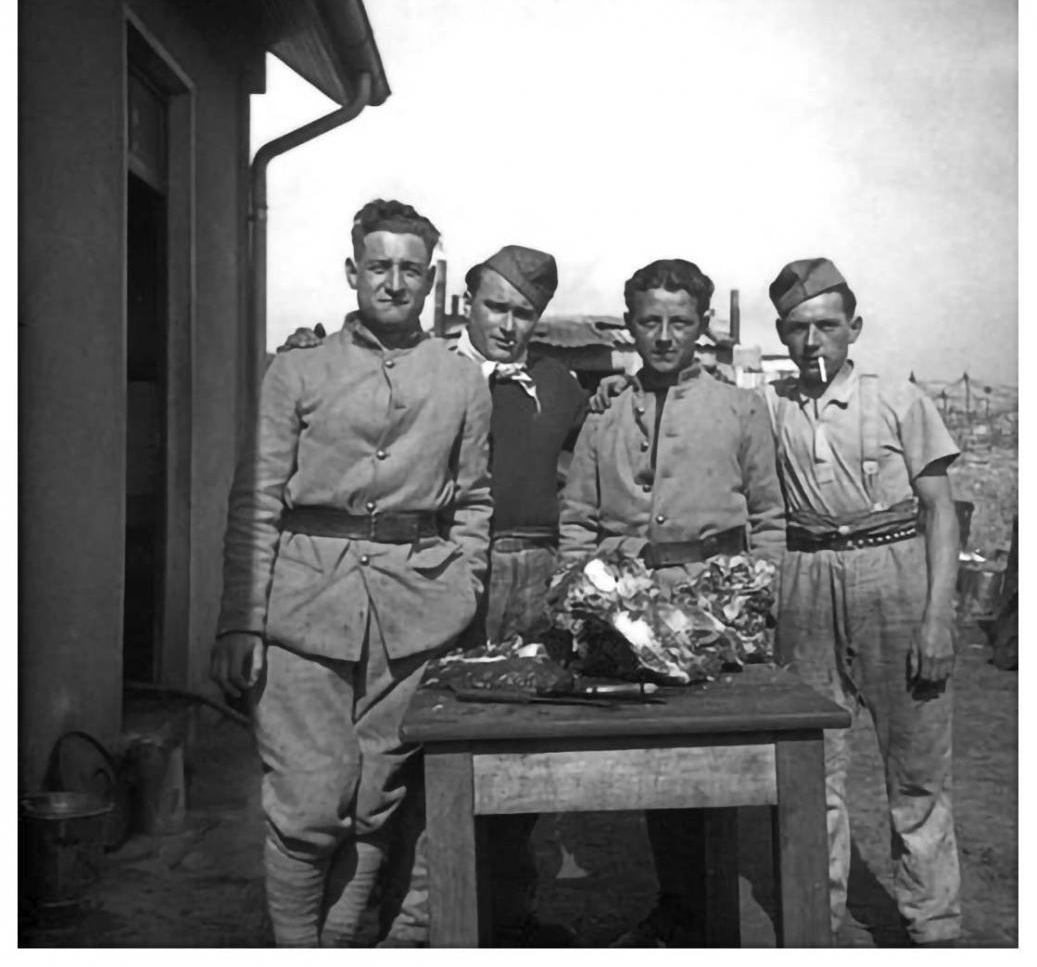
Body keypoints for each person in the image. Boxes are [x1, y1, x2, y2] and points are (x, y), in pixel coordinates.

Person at [279, 244, 586, 947]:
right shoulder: (432, 373)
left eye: (524, 314)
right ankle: (409, 922)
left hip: (530, 577)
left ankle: (505, 912)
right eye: (495, 307)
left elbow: (577, 478)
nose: (508, 326)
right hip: (438, 573)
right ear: (464, 303)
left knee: (514, 755)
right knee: (416, 752)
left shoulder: (560, 383)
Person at [211, 198, 493, 948]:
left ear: (431, 280)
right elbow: (258, 497)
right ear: (351, 272)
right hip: (305, 607)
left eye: (410, 269)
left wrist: (461, 585)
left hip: (418, 614)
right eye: (379, 266)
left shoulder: (462, 381)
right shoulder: (296, 371)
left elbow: (473, 499)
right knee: (309, 807)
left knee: (375, 800)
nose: (393, 283)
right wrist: (240, 617)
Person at [559, 257, 786, 946]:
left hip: (714, 612)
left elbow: (769, 520)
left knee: (725, 762)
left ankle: (730, 915)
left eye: (678, 322)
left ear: (701, 327)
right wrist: (585, 595)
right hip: (626, 613)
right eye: (649, 321)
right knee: (655, 765)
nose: (663, 335)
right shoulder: (604, 414)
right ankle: (679, 911)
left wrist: (754, 603)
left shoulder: (740, 408)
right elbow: (576, 521)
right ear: (629, 325)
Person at [764, 257, 961, 946]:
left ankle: (932, 923)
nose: (811, 341)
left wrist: (937, 617)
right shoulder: (772, 404)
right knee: (810, 765)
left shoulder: (897, 400)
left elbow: (939, 510)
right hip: (805, 577)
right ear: (781, 336)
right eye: (796, 329)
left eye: (825, 325)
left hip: (894, 576)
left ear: (853, 328)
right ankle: (816, 921)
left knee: (915, 769)